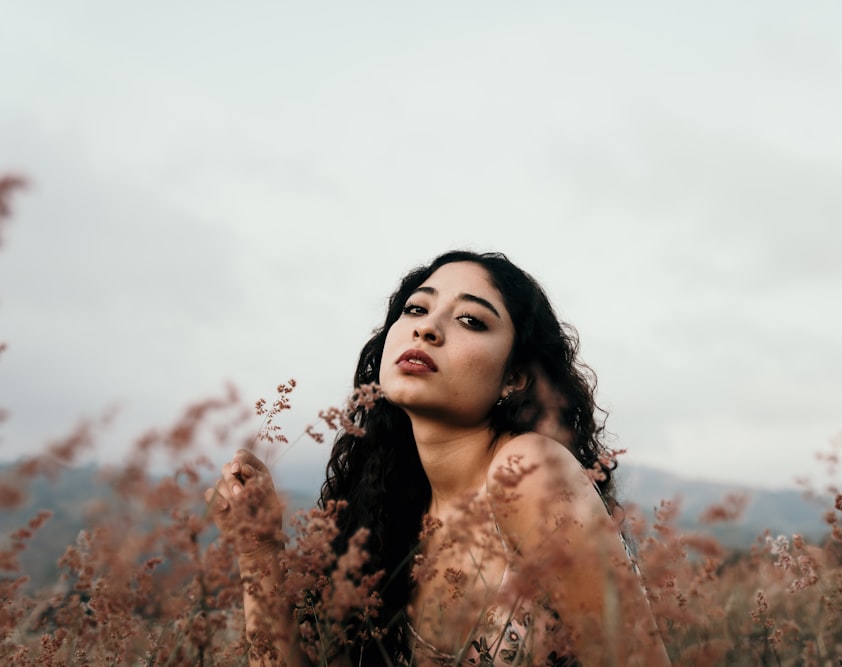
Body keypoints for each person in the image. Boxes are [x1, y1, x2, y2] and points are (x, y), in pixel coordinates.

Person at [207, 250, 669, 666]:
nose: (426, 327)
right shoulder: (390, 515)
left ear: (516, 378)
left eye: (470, 320)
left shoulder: (525, 472)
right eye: (416, 308)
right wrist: (258, 551)